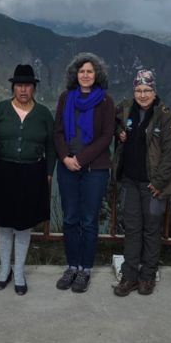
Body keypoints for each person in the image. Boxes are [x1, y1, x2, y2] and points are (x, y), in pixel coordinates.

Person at [0, 64, 55, 296]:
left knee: (24, 224)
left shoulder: (44, 113)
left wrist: (48, 172)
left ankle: (19, 272)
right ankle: (4, 270)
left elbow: (51, 146)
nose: (23, 90)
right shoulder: (0, 110)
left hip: (32, 171)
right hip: (3, 171)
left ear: (34, 88)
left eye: (27, 85)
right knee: (4, 223)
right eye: (19, 85)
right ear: (13, 87)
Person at [112, 69, 171, 297]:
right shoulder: (125, 109)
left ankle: (148, 275)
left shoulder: (165, 116)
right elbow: (113, 124)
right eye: (139, 90)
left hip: (154, 185)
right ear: (134, 91)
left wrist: (160, 182)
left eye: (147, 90)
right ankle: (130, 276)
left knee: (152, 231)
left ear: (155, 91)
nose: (142, 95)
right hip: (130, 181)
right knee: (132, 229)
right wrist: (119, 131)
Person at [53, 52, 115, 293]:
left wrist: (80, 158)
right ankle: (71, 266)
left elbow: (106, 136)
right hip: (67, 168)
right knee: (70, 218)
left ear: (97, 74)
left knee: (89, 220)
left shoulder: (105, 101)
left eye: (90, 71)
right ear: (75, 75)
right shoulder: (65, 98)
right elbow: (58, 131)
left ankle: (85, 269)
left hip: (95, 170)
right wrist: (66, 158)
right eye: (81, 71)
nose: (86, 75)